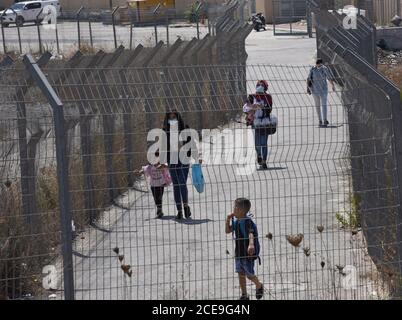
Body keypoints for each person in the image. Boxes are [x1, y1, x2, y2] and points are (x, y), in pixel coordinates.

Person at [225, 198, 264, 300]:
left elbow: (251, 234)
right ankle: (244, 295)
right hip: (239, 253)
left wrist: (251, 245)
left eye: (235, 207)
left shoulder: (247, 222)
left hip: (248, 254)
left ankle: (259, 285)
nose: (233, 209)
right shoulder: (237, 221)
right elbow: (227, 230)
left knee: (249, 275)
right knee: (240, 273)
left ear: (240, 210)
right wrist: (228, 219)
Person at [162, 110, 192, 220]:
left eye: (174, 117)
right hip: (172, 159)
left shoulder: (185, 129)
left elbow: (190, 144)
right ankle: (179, 210)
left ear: (178, 117)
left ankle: (185, 206)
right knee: (176, 185)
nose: (172, 119)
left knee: (182, 182)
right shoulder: (165, 131)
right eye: (170, 118)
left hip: (184, 158)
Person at [134, 152, 171, 218]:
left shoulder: (162, 165)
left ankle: (159, 209)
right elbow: (143, 171)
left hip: (161, 184)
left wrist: (163, 165)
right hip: (153, 185)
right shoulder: (149, 167)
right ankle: (159, 208)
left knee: (159, 197)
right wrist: (138, 172)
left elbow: (167, 167)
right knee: (155, 197)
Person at [307, 58, 335, 127]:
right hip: (315, 90)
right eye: (317, 65)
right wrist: (308, 88)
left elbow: (329, 77)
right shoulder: (313, 69)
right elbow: (309, 78)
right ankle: (320, 120)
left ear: (321, 63)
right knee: (318, 105)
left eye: (319, 65)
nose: (318, 66)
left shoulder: (324, 68)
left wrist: (332, 85)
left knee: (323, 105)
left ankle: (324, 120)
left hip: (323, 90)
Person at [253, 80, 272, 170]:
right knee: (257, 143)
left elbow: (270, 109)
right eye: (258, 85)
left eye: (262, 86)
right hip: (256, 122)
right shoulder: (252, 96)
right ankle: (259, 155)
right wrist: (252, 107)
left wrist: (263, 107)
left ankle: (264, 161)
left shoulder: (268, 97)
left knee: (264, 142)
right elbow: (245, 107)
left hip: (264, 121)